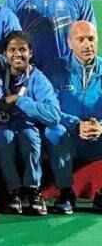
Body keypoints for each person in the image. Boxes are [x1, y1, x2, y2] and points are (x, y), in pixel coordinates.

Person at [0, 31, 60, 216]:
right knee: (2, 136)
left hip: (28, 125)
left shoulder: (38, 79)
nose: (17, 54)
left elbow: (54, 114)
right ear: (5, 53)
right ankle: (13, 191)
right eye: (12, 50)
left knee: (30, 137)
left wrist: (19, 100)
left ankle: (32, 190)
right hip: (3, 125)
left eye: (22, 49)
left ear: (30, 52)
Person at [45, 21, 102, 214]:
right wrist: (76, 125)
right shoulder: (54, 70)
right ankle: (66, 193)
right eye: (81, 39)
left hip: (97, 137)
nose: (88, 45)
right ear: (70, 43)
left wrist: (100, 126)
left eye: (92, 39)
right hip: (68, 136)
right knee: (54, 131)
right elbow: (49, 110)